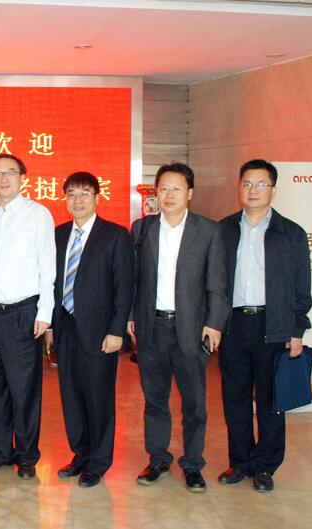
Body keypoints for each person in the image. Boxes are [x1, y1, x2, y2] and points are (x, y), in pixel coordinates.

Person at [128, 162, 230, 492]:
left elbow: (218, 283)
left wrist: (214, 323)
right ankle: (158, 458)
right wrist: (130, 316)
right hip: (152, 327)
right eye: (164, 189)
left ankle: (192, 463)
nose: (169, 195)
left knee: (194, 403)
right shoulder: (142, 229)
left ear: (190, 193)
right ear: (156, 193)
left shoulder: (209, 231)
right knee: (155, 399)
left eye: (176, 189)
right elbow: (133, 279)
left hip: (191, 329)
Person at [217, 159, 312, 492]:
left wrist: (297, 330)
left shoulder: (291, 233)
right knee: (235, 397)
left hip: (274, 325)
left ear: (273, 189)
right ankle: (240, 462)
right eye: (247, 183)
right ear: (239, 187)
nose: (253, 190)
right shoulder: (224, 230)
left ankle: (265, 466)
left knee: (271, 400)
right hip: (234, 325)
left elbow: (302, 286)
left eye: (261, 184)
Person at [44, 172, 133, 488]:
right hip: (65, 327)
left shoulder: (115, 235)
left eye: (84, 193)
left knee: (98, 397)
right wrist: (51, 325)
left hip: (100, 332)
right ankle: (80, 454)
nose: (77, 200)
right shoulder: (58, 235)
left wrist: (116, 330)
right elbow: (51, 283)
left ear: (97, 197)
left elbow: (125, 287)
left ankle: (99, 461)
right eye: (71, 194)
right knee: (71, 395)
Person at [0, 153, 56, 480]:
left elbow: (47, 266)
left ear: (23, 177)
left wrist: (45, 312)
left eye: (10, 172)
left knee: (24, 390)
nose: (4, 178)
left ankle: (26, 455)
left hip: (23, 313)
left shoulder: (38, 214)